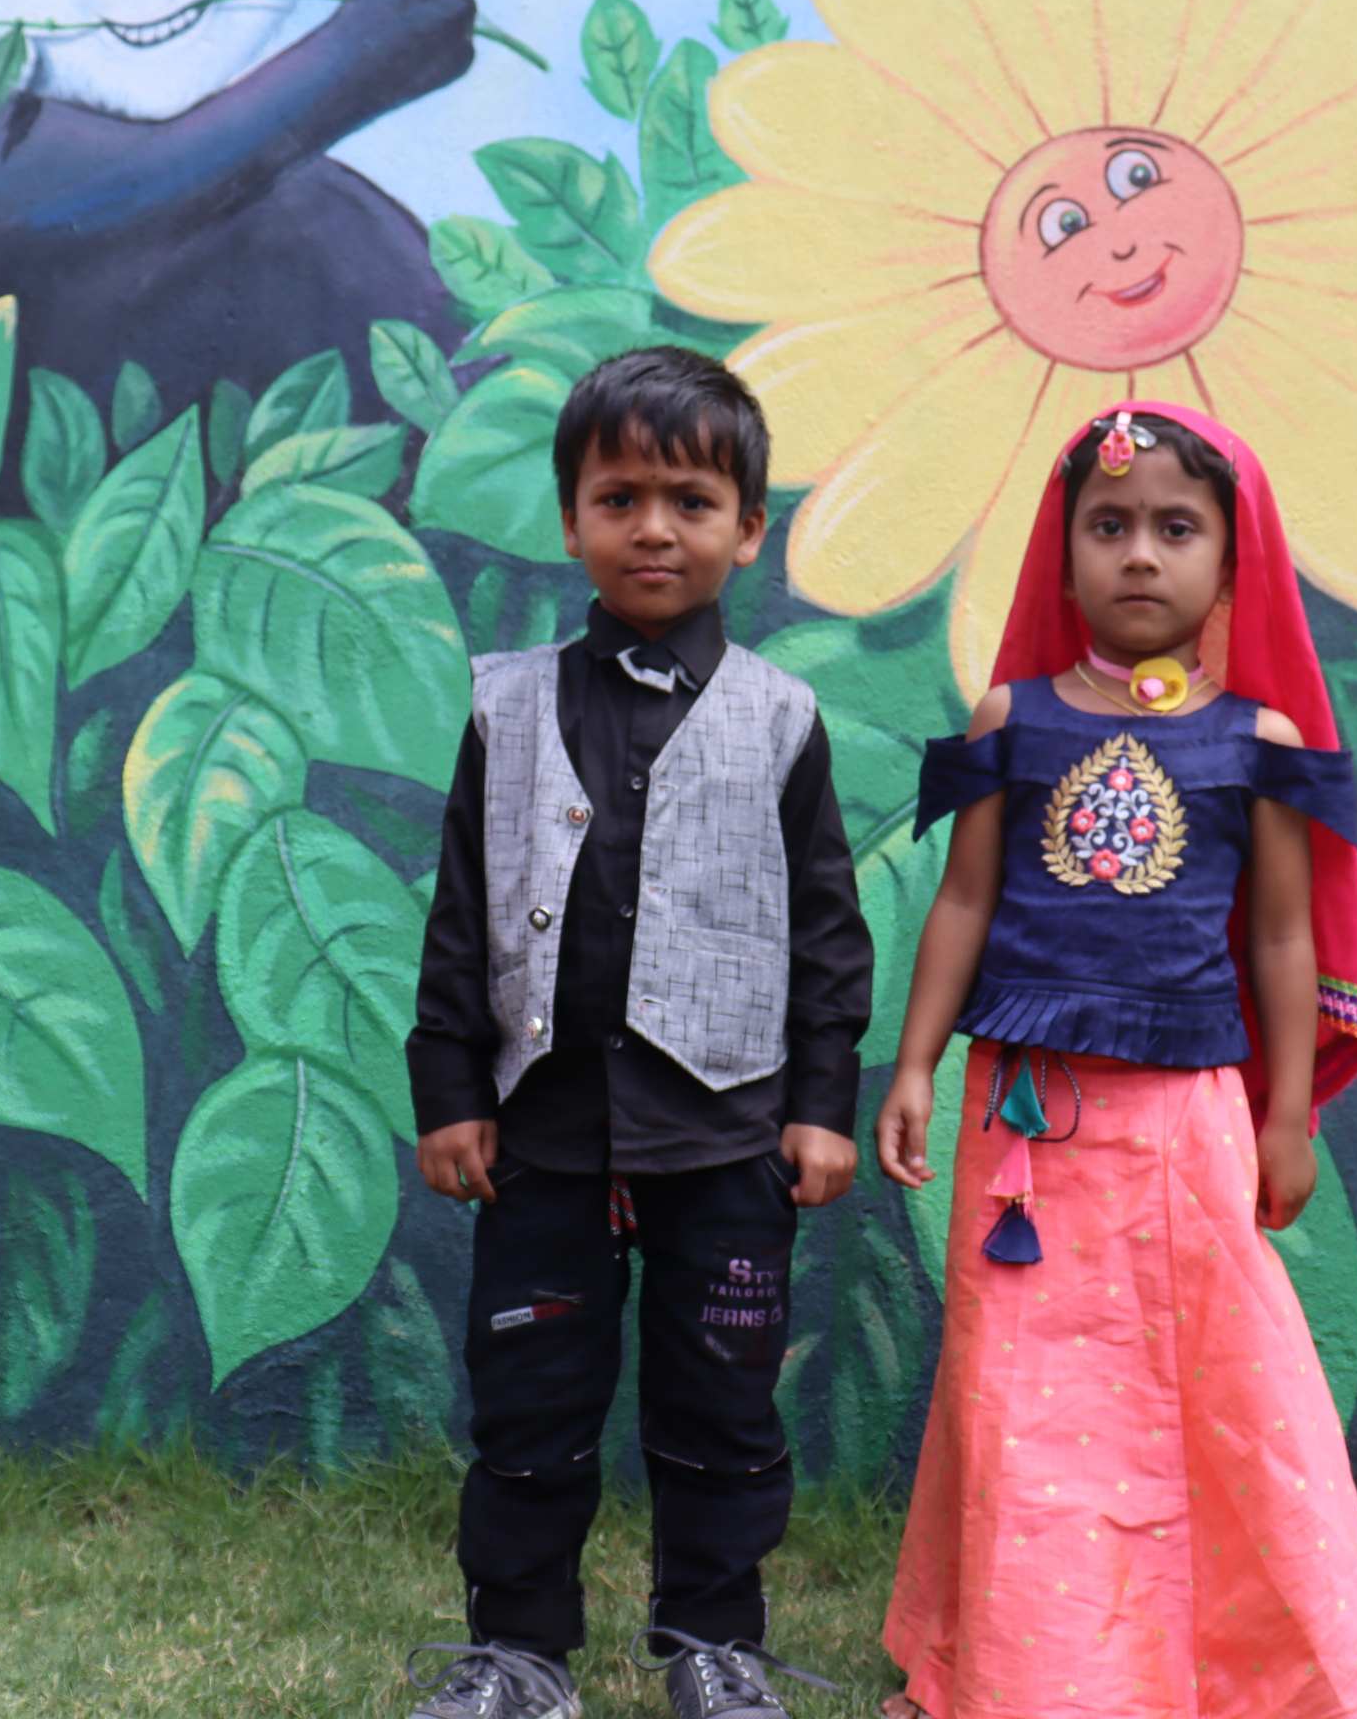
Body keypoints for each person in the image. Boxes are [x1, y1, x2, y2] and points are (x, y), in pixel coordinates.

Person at [872, 402, 1357, 1719]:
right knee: (1019, 1394)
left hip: (1187, 1125)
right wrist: (914, 1066)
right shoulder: (1013, 716)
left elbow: (1281, 936)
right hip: (1022, 1128)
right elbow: (963, 901)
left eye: (1177, 528)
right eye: (1108, 526)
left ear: (1233, 566)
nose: (1141, 554)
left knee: (1222, 1383)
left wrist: (1288, 1117)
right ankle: (1035, 1675)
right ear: (1063, 561)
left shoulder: (1258, 743)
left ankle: (1239, 1668)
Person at [400, 346, 875, 1719]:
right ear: (572, 522)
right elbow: (463, 909)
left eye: (690, 501)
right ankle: (519, 1653)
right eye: (619, 499)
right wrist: (450, 1090)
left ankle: (714, 1644)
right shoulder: (505, 707)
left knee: (722, 1403)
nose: (653, 529)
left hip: (727, 1135)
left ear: (749, 529)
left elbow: (825, 934)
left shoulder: (782, 719)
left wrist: (821, 1105)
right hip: (543, 1134)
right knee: (530, 1399)